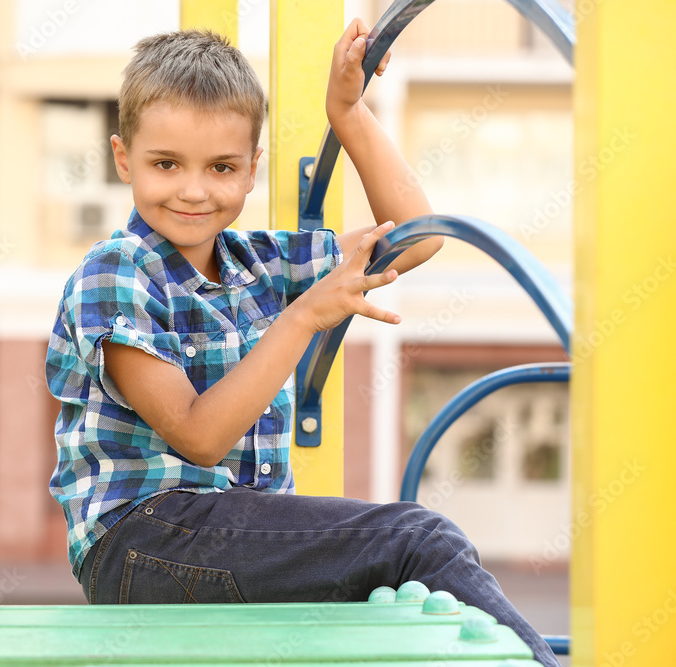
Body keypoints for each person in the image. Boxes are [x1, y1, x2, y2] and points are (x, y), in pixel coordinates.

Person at [45, 19, 558, 667]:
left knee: (386, 598)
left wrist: (348, 111)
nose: (195, 189)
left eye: (222, 166)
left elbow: (416, 240)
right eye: (166, 164)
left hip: (229, 536)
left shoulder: (258, 263)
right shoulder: (115, 273)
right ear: (124, 159)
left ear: (252, 169)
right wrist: (301, 317)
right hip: (138, 540)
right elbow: (199, 437)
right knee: (415, 539)